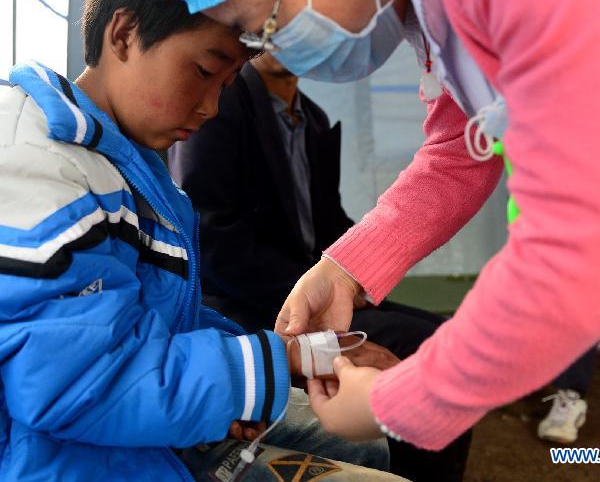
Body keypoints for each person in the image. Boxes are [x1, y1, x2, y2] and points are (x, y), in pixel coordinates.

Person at [141, 0, 600, 479]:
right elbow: (461, 149)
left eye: (266, 22)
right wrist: (344, 268)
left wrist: (395, 403)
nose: (270, 50)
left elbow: (582, 234)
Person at [0, 0, 405, 481]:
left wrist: (284, 360)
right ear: (123, 34)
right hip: (18, 455)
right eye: (204, 72)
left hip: (100, 428)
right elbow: (79, 383)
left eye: (227, 84)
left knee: (367, 445)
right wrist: (271, 364)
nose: (212, 107)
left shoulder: (117, 164)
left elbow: (140, 325)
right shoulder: (21, 173)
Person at [168, 52, 471, 480]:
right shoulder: (223, 104)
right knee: (421, 349)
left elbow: (332, 222)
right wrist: (315, 289)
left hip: (318, 290)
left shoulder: (312, 117)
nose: (281, 37)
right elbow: (214, 240)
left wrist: (355, 276)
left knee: (444, 338)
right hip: (253, 303)